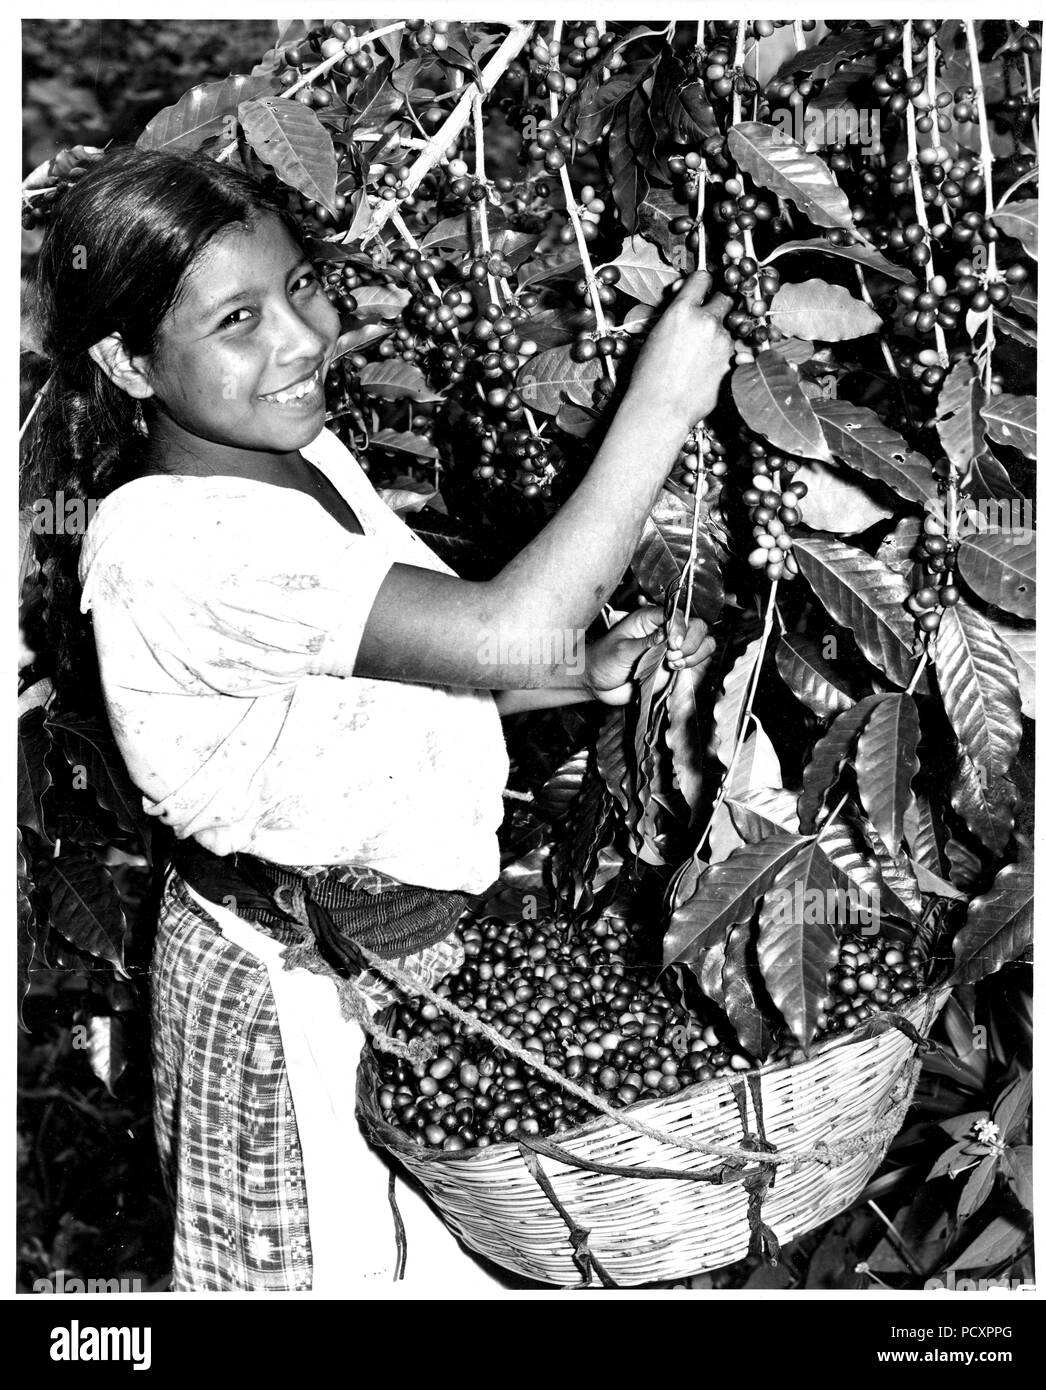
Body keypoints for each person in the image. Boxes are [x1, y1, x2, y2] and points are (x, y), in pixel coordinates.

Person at [21, 146, 734, 1292]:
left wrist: (577, 670)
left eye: (303, 285)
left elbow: (369, 688)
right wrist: (662, 404)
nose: (303, 338)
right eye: (238, 320)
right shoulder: (177, 542)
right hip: (292, 1000)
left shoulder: (297, 452)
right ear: (128, 361)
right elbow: (498, 625)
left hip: (402, 962)